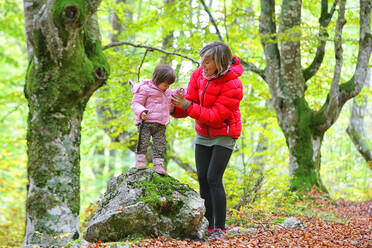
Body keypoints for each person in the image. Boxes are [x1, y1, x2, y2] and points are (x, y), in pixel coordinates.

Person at [171, 41, 243, 239]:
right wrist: (173, 107)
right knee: (202, 178)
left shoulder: (233, 84)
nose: (203, 65)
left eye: (207, 62)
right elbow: (190, 103)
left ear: (220, 63)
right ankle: (207, 225)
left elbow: (215, 116)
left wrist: (186, 106)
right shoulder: (198, 75)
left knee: (213, 178)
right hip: (203, 134)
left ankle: (220, 227)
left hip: (225, 134)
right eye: (202, 61)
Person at [130, 64, 184, 175]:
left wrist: (180, 91)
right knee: (143, 141)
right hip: (146, 122)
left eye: (169, 85)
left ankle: (158, 164)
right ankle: (140, 160)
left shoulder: (167, 90)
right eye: (165, 85)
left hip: (161, 123)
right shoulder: (144, 88)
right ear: (157, 79)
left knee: (160, 144)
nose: (167, 87)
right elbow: (135, 103)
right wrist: (141, 111)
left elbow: (174, 94)